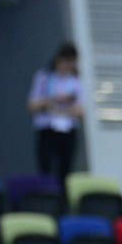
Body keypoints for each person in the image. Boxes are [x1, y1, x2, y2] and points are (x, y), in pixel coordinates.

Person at [25, 43, 83, 181]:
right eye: (65, 62)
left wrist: (58, 108)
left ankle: (61, 201)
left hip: (67, 132)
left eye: (71, 63)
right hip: (47, 130)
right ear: (59, 60)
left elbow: (80, 110)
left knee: (66, 173)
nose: (67, 66)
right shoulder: (44, 78)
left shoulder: (75, 82)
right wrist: (55, 99)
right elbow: (32, 104)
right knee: (45, 169)